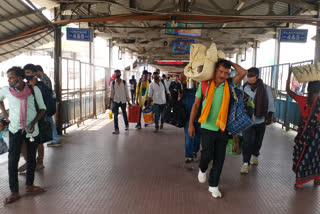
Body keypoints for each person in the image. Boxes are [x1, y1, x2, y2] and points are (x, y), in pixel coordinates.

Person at [188, 59, 247, 198]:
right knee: (207, 154)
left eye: (226, 73)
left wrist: (230, 62)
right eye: (221, 71)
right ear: (215, 70)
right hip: (207, 126)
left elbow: (243, 72)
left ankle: (213, 185)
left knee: (220, 159)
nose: (223, 75)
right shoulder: (204, 84)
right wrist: (191, 124)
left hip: (222, 127)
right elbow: (196, 105)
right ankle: (202, 169)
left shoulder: (229, 84)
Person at [0, 66, 46, 204]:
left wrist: (33, 123)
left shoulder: (33, 89)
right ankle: (14, 192)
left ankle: (29, 185)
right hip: (15, 130)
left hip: (32, 130)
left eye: (11, 77)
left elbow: (42, 109)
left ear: (20, 78)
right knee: (12, 161)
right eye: (8, 77)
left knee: (31, 158)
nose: (9, 80)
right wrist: (5, 114)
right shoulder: (6, 90)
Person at [286, 69, 320, 189]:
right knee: (311, 156)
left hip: (310, 135)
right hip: (309, 135)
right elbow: (289, 92)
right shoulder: (303, 100)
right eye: (315, 91)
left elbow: (288, 92)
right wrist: (289, 75)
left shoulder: (306, 101)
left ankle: (304, 181)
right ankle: (314, 178)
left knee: (308, 156)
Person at [240, 67, 275, 174]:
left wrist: (269, 117)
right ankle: (245, 163)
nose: (249, 78)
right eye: (248, 76)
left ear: (257, 76)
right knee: (246, 141)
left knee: (258, 140)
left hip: (260, 120)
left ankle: (255, 154)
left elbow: (270, 103)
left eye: (252, 76)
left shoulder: (265, 88)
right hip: (247, 120)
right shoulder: (244, 88)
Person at [35, 65, 61, 147]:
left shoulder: (44, 80)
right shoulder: (45, 79)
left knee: (49, 122)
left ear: (39, 71)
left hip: (46, 105)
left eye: (35, 73)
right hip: (47, 105)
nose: (35, 75)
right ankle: (55, 138)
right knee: (50, 122)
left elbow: (44, 94)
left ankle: (55, 139)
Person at [181, 73, 200, 168]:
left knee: (196, 137)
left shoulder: (201, 91)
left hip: (198, 117)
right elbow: (183, 80)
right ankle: (189, 155)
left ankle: (193, 152)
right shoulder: (186, 91)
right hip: (189, 118)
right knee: (190, 137)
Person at [108, 70, 131, 134]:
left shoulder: (124, 82)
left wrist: (128, 101)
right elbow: (111, 93)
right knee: (115, 115)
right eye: (116, 74)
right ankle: (116, 129)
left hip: (123, 100)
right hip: (115, 101)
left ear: (120, 74)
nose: (117, 75)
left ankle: (126, 125)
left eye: (118, 74)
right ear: (114, 75)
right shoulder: (112, 83)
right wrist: (109, 103)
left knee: (124, 113)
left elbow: (126, 92)